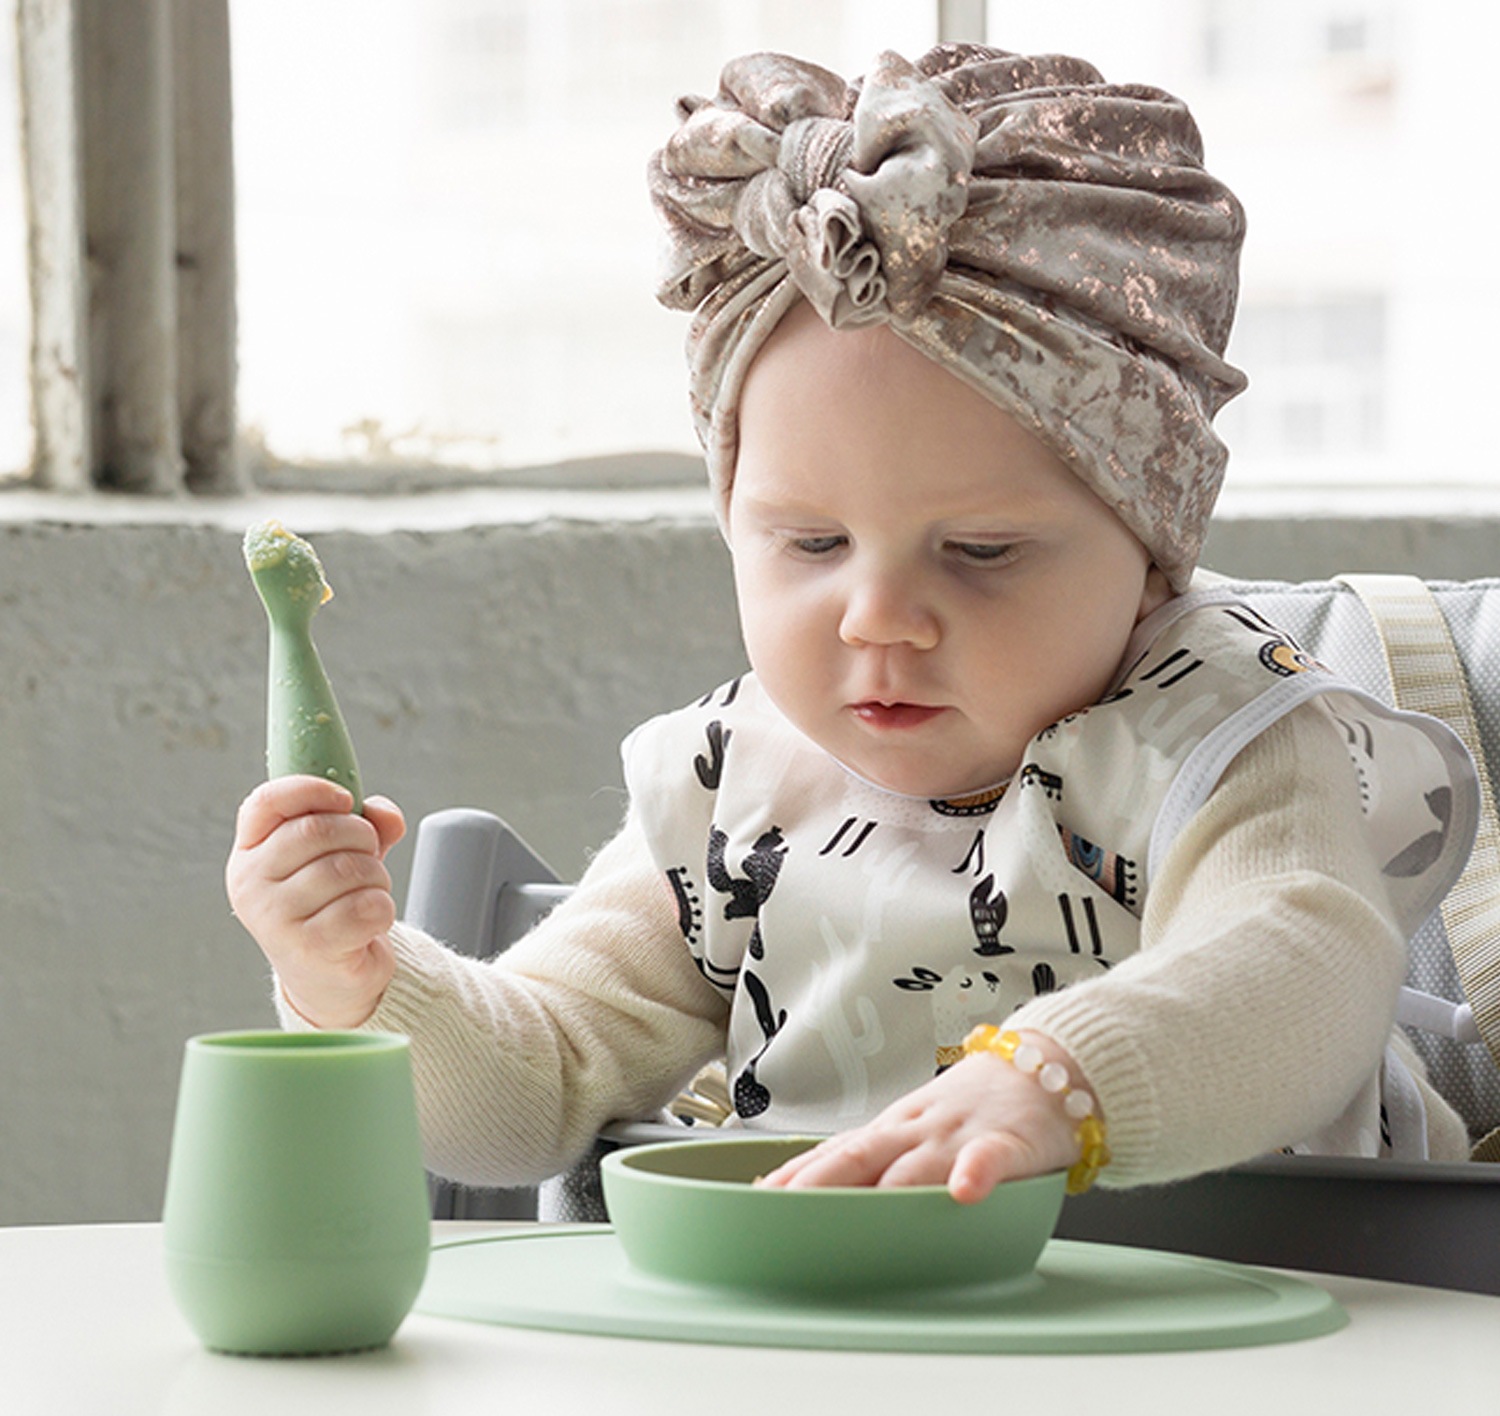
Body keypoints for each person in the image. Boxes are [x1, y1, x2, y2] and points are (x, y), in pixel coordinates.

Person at [226, 43, 1478, 1202]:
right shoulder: (739, 787)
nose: (878, 617)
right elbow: (541, 1085)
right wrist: (361, 986)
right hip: (840, 1388)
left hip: (1260, 1354)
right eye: (810, 544)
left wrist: (1059, 1080)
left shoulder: (1221, 741)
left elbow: (1305, 964)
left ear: (1154, 553)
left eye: (980, 552)